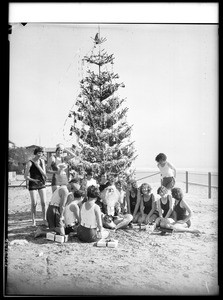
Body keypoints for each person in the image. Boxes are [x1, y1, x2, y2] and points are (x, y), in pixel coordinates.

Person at [24, 146, 47, 226]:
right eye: (39, 153)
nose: (40, 154)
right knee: (34, 203)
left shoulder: (42, 161)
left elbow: (45, 175)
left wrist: (38, 166)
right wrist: (34, 180)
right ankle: (33, 221)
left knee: (44, 203)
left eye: (41, 153)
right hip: (33, 183)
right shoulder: (29, 162)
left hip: (41, 182)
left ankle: (44, 220)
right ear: (35, 153)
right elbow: (25, 176)